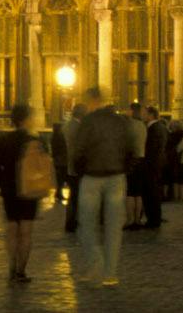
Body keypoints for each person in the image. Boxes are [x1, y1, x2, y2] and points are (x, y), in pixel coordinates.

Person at [70, 87, 136, 287]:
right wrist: (124, 169)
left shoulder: (88, 121)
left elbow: (78, 149)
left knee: (86, 224)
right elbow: (131, 148)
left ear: (91, 100)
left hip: (93, 176)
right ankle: (110, 273)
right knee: (114, 227)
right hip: (116, 176)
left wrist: (81, 170)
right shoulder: (120, 122)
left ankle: (95, 262)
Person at [0, 104, 45, 285]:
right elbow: (44, 168)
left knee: (12, 229)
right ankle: (22, 271)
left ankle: (12, 267)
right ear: (27, 119)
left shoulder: (3, 140)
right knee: (26, 232)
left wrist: (3, 185)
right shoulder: (36, 141)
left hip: (10, 191)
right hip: (30, 190)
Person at [61, 102, 88, 234]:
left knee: (73, 195)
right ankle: (73, 222)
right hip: (76, 166)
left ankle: (71, 221)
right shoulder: (78, 127)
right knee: (76, 196)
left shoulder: (67, 125)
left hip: (69, 165)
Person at [142, 106, 167, 229]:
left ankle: (153, 219)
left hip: (151, 164)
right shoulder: (161, 127)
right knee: (154, 191)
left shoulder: (153, 129)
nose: (143, 115)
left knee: (151, 192)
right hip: (157, 164)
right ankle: (155, 217)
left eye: (145, 113)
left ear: (151, 114)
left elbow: (151, 149)